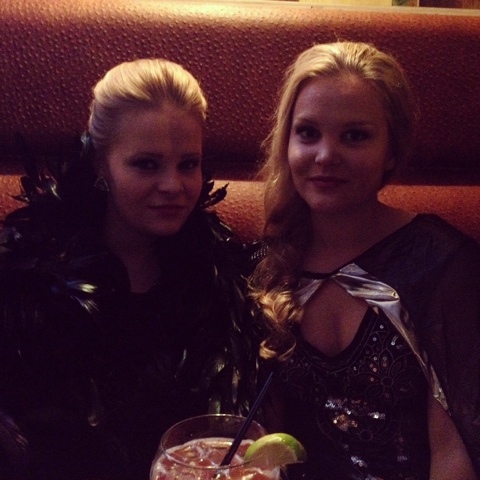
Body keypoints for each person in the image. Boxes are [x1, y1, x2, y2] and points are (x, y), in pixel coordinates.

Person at [0, 58, 258, 480]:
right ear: (100, 164)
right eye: (146, 164)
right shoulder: (28, 284)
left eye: (188, 164)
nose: (173, 186)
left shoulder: (220, 276)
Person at [250, 41, 480, 479]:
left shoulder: (443, 265)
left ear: (391, 150)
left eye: (355, 136)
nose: (325, 156)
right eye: (308, 133)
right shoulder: (268, 263)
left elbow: (456, 452)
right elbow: (264, 437)